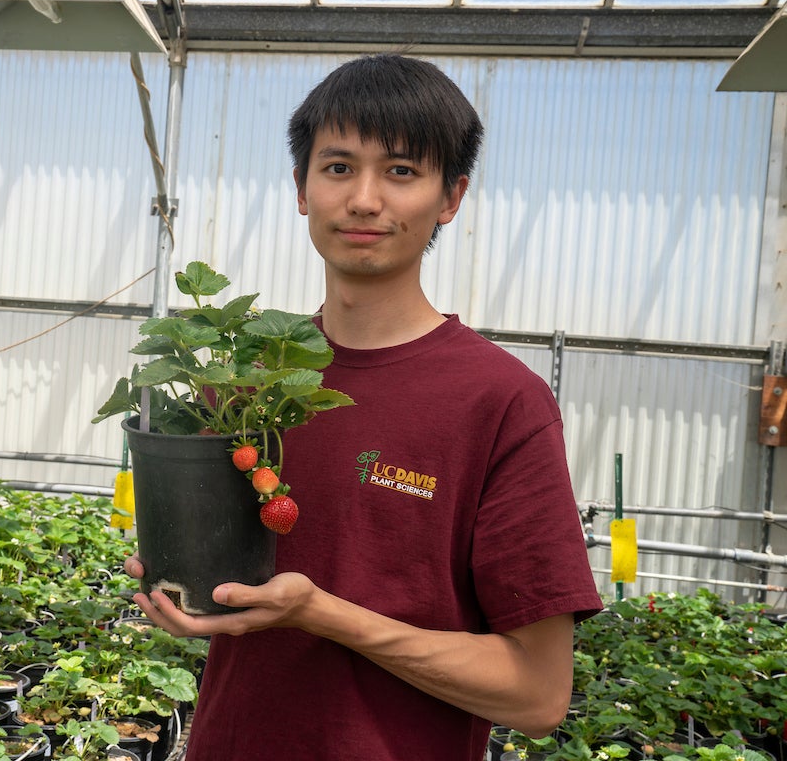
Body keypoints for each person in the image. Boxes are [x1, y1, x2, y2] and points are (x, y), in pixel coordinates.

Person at [123, 53, 603, 760]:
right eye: (339, 167)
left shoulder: (500, 401)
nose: (365, 199)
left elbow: (537, 694)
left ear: (451, 198)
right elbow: (221, 579)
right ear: (301, 187)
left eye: (402, 171)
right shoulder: (242, 382)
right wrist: (189, 592)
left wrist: (322, 615)